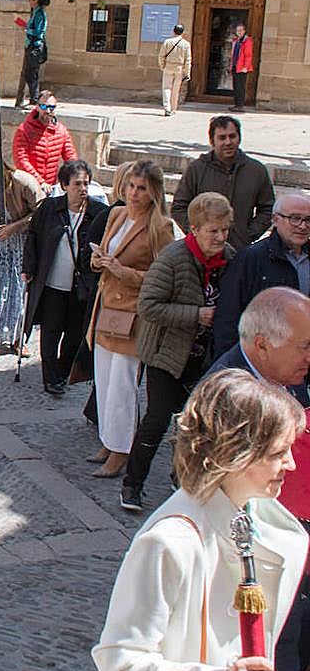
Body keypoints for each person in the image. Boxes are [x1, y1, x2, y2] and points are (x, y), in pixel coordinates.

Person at [90, 370, 306, 671]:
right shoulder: (169, 542)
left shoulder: (267, 522)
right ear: (238, 453)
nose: (291, 465)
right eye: (278, 453)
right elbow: (119, 659)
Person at [203, 288, 310, 671]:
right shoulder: (225, 391)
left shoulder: (286, 375)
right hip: (257, 557)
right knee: (278, 662)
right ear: (264, 344)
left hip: (290, 540)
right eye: (304, 345)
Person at [118, 193, 235, 511]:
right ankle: (132, 484)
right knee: (157, 420)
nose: (221, 237)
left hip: (205, 357)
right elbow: (149, 306)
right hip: (166, 355)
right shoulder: (172, 258)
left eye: (225, 230)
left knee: (196, 425)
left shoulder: (230, 258)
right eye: (214, 230)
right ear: (195, 229)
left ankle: (182, 480)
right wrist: (197, 314)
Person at [87, 161, 176, 478]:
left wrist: (121, 271)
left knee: (122, 387)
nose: (134, 193)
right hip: (106, 309)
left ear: (153, 192)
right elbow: (104, 257)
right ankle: (109, 441)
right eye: (130, 186)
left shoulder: (160, 226)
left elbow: (163, 276)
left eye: (141, 188)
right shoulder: (116, 214)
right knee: (105, 380)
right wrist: (98, 261)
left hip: (133, 314)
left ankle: (122, 450)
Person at [22, 159, 109, 395]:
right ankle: (50, 378)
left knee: (74, 335)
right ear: (64, 185)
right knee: (50, 332)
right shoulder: (50, 209)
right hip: (52, 284)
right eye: (77, 183)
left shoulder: (98, 213)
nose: (82, 188)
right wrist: (28, 267)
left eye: (86, 184)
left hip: (81, 286)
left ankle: (62, 373)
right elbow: (33, 237)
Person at [213, 192, 310, 357]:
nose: (302, 226)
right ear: (276, 219)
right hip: (263, 359)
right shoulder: (251, 259)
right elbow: (228, 316)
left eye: (308, 220)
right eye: (294, 218)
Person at [171, 115, 274, 252]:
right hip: (202, 251)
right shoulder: (197, 169)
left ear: (239, 138)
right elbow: (179, 206)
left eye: (232, 136)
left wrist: (248, 234)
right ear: (212, 141)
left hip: (239, 250)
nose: (228, 142)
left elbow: (268, 208)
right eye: (222, 138)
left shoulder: (256, 170)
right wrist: (198, 233)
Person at [0, 160, 43, 362]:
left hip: (22, 240)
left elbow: (41, 212)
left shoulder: (23, 182)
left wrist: (15, 227)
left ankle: (18, 339)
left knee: (20, 290)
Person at [12, 91, 77, 188]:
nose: (47, 110)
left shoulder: (61, 131)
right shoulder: (24, 130)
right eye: (43, 107)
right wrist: (40, 182)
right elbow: (21, 160)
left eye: (51, 107)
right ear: (37, 107)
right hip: (28, 187)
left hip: (51, 187)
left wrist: (74, 175)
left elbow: (70, 157)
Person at [14, 0, 49, 108]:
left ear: (37, 0)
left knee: (32, 74)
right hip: (31, 45)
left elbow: (38, 31)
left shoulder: (40, 14)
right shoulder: (35, 13)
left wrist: (26, 29)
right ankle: (34, 98)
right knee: (29, 74)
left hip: (35, 47)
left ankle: (35, 99)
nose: (30, 2)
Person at [158, 24, 192, 116]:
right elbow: (188, 60)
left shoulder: (167, 42)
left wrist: (162, 66)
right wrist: (187, 72)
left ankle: (167, 108)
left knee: (166, 88)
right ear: (183, 32)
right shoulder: (186, 44)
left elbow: (161, 56)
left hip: (168, 66)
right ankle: (173, 108)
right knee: (176, 90)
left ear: (173, 31)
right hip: (179, 68)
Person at [230, 23, 254, 112]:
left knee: (240, 87)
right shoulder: (236, 40)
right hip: (235, 66)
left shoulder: (247, 41)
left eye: (241, 30)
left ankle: (240, 105)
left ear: (244, 31)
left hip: (242, 68)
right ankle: (236, 104)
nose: (239, 32)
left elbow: (248, 55)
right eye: (237, 30)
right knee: (236, 86)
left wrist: (246, 67)